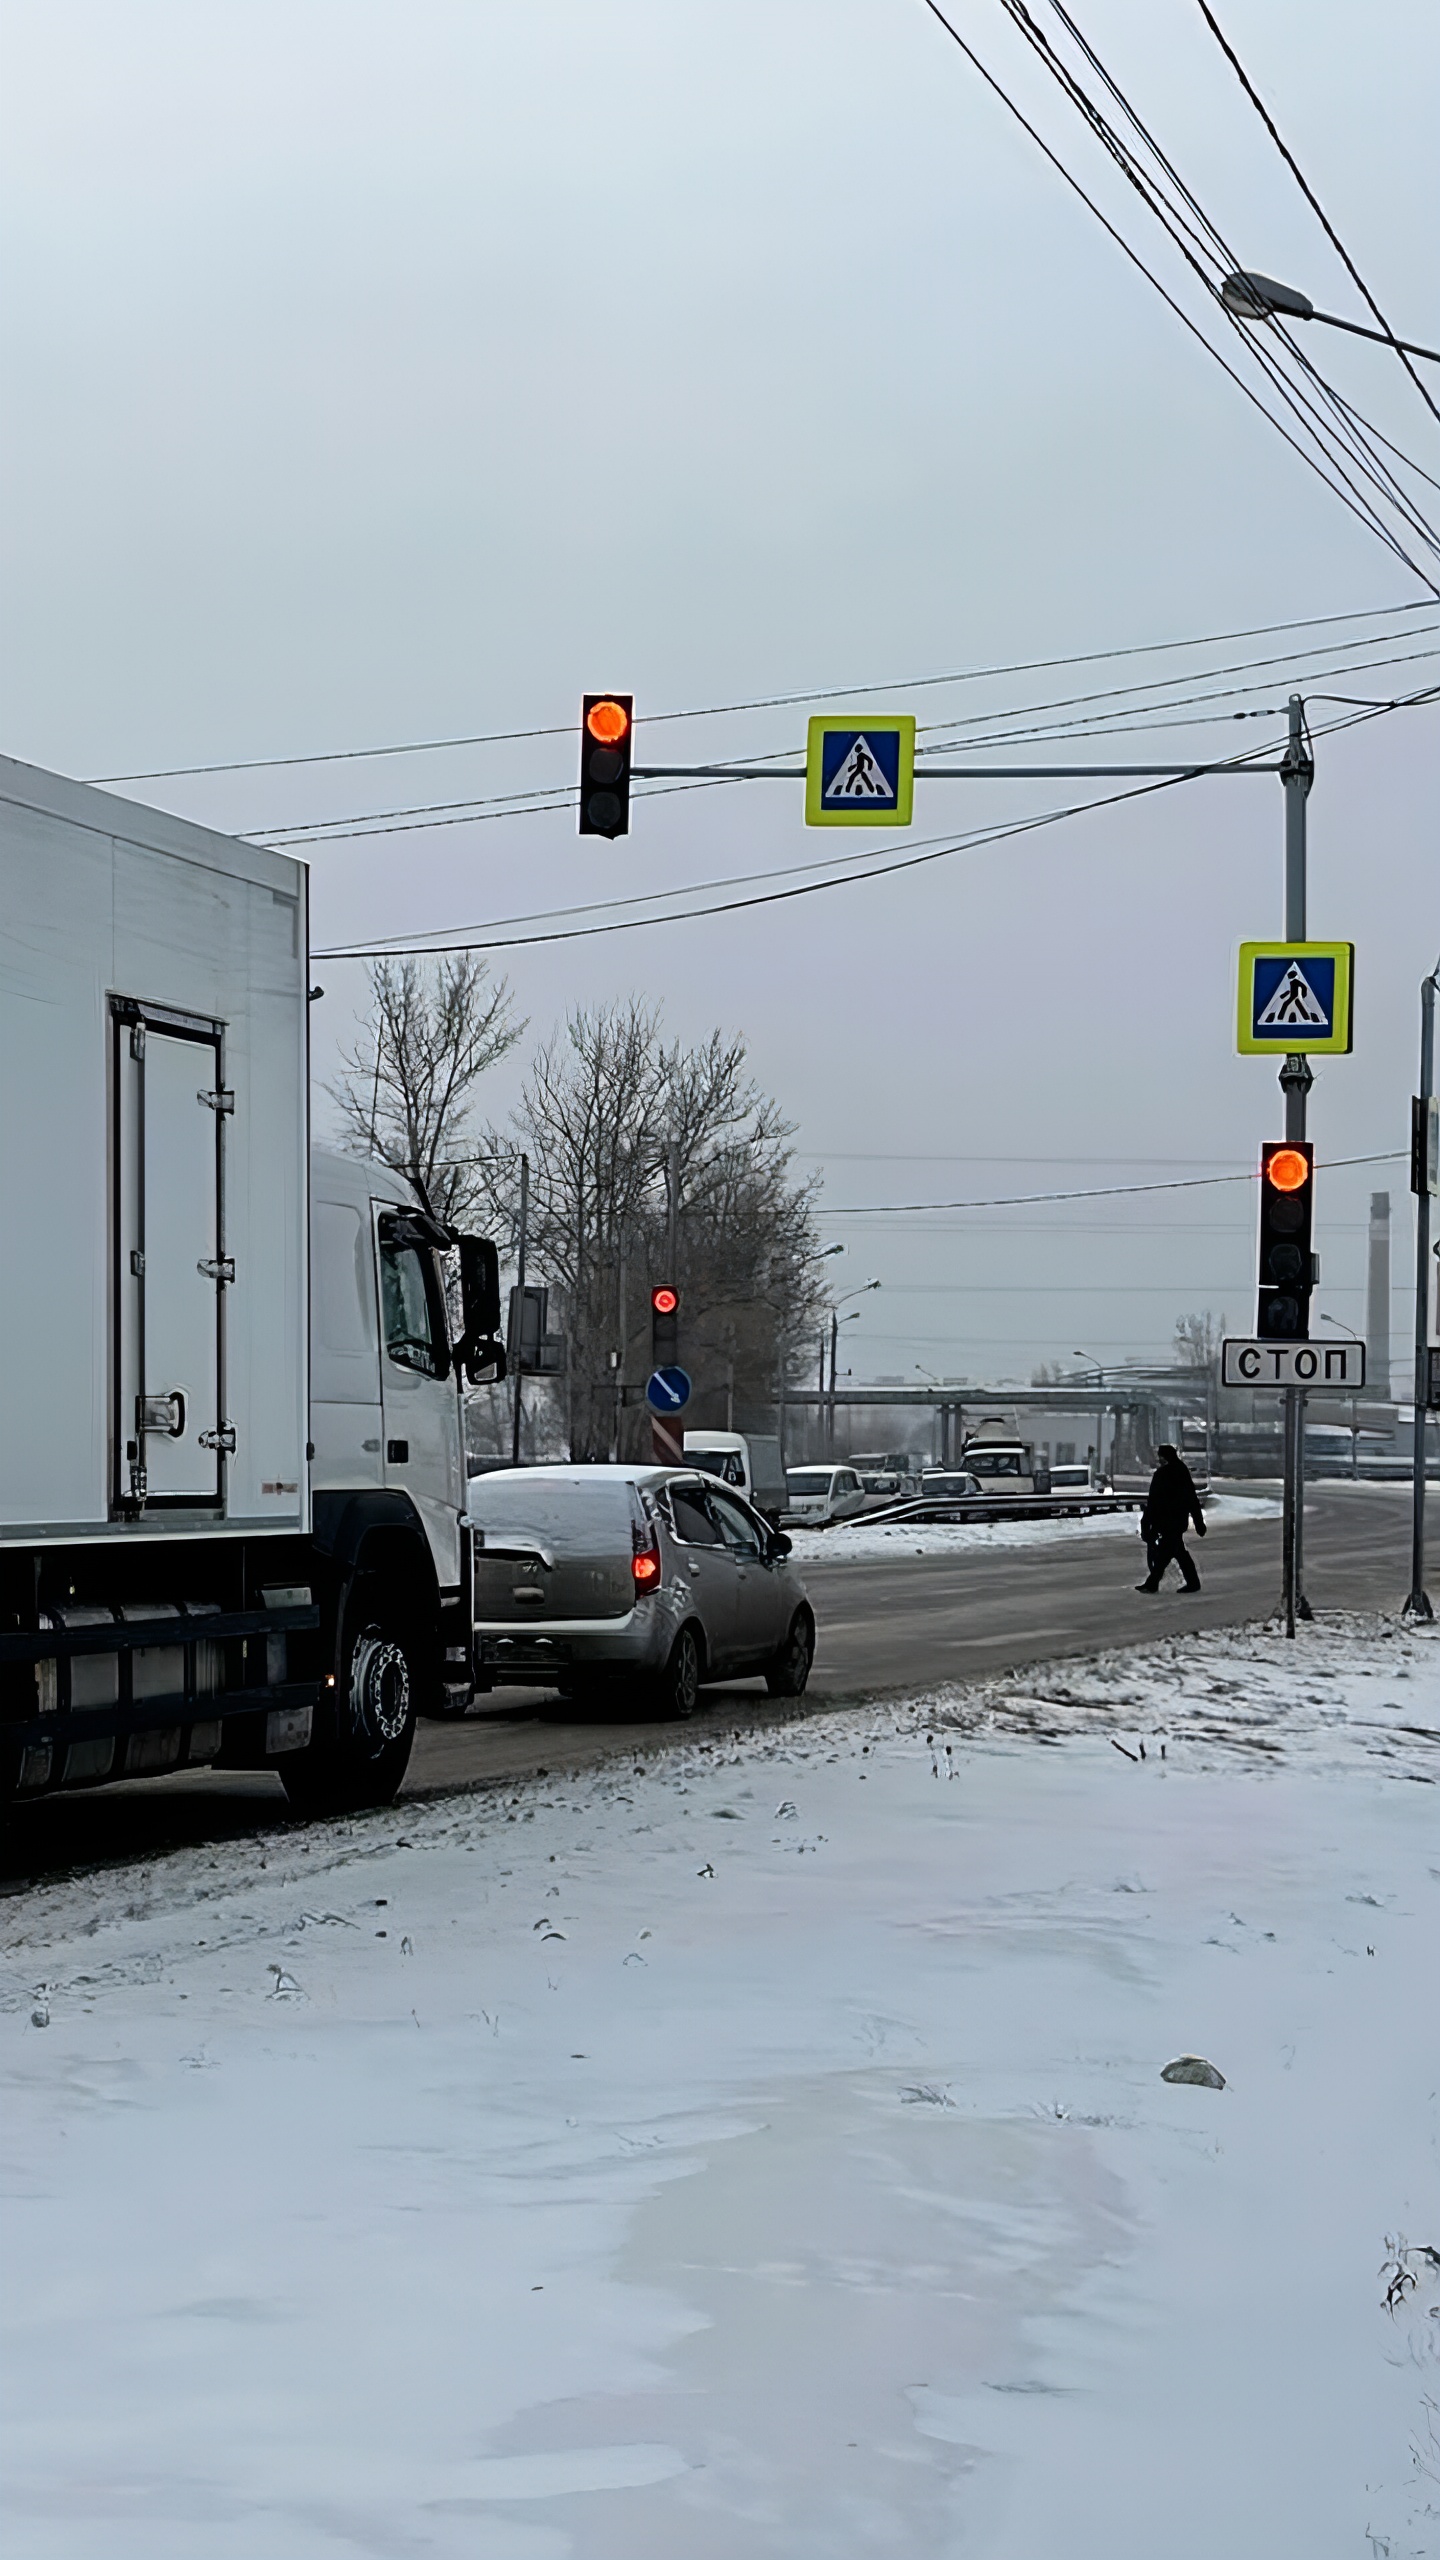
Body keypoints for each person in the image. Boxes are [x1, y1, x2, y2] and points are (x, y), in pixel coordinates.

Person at [1136, 1443, 1207, 1593]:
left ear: (1162, 1457)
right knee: (1175, 1551)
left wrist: (1146, 1523)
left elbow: (1154, 1501)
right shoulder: (1182, 1471)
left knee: (1167, 1552)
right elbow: (1191, 1499)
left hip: (1166, 1521)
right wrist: (1198, 1521)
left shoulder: (1162, 1474)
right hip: (1177, 1520)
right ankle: (1156, 1583)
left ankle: (1153, 1583)